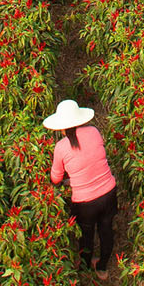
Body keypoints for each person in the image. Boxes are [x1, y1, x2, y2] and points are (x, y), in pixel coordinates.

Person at [43, 99, 119, 274]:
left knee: (86, 235)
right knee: (106, 229)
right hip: (109, 192)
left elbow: (55, 178)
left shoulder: (61, 147)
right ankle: (102, 268)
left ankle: (84, 268)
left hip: (85, 203)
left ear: (61, 126)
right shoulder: (94, 131)